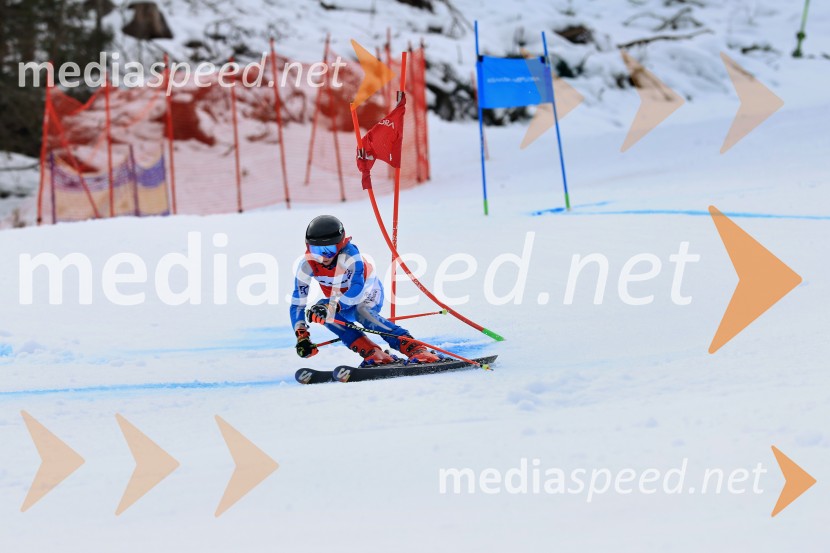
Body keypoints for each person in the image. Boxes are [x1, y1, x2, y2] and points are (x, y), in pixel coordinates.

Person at [290, 215, 441, 366]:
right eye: (315, 250)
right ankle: (373, 352)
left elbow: (356, 290)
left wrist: (331, 306)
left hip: (367, 295)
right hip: (340, 302)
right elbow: (297, 304)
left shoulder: (350, 256)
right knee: (319, 311)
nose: (322, 256)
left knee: (361, 311)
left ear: (341, 243)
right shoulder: (306, 266)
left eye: (328, 250)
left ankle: (415, 348)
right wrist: (302, 336)